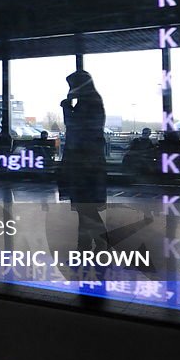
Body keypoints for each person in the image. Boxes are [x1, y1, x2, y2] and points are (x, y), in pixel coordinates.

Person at [57, 70, 109, 251]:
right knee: (84, 206)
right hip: (89, 162)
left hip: (83, 164)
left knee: (84, 207)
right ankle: (86, 244)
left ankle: (98, 242)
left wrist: (66, 107)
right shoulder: (92, 101)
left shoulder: (86, 103)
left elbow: (75, 126)